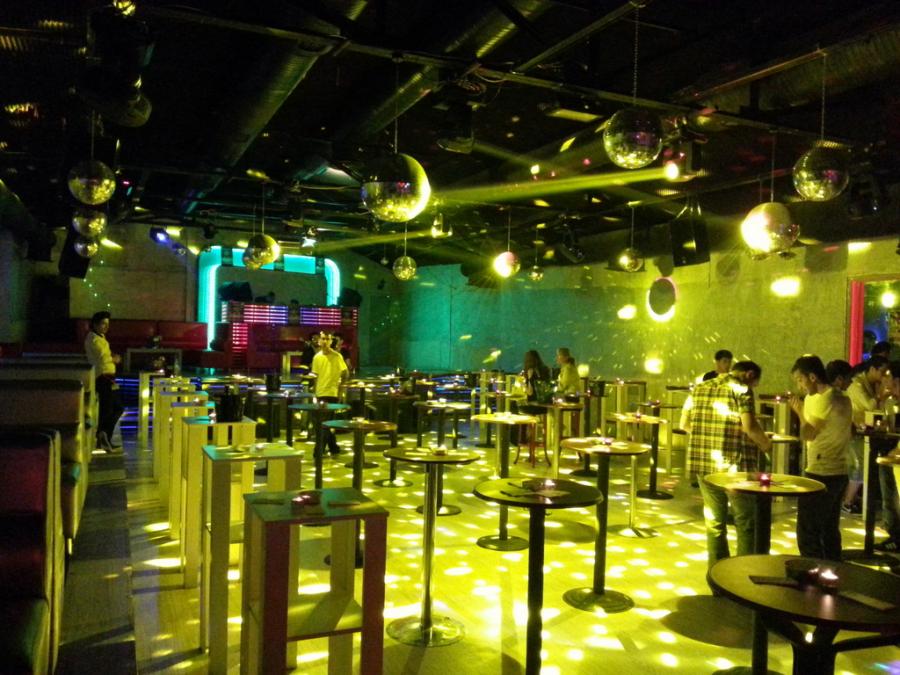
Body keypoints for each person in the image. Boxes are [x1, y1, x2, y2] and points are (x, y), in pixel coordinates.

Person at [681, 360, 772, 568]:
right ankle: (742, 573)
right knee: (745, 522)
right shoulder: (741, 389)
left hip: (704, 464)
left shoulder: (700, 388)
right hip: (734, 467)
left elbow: (686, 423)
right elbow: (749, 426)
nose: (754, 387)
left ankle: (717, 572)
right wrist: (767, 445)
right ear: (749, 374)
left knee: (714, 523)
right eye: (755, 383)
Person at [789, 355, 852, 560]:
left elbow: (808, 434)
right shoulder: (841, 396)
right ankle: (834, 569)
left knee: (808, 531)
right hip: (840, 471)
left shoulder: (824, 399)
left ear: (812, 377)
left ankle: (812, 571)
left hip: (821, 471)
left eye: (800, 380)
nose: (799, 386)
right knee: (829, 529)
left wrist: (799, 412)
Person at [844, 356, 892, 530]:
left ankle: (854, 500)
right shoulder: (857, 386)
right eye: (882, 372)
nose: (884, 375)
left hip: (866, 431)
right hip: (856, 431)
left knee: (863, 466)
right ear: (872, 369)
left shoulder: (872, 385)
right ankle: (847, 502)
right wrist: (882, 394)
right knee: (859, 467)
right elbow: (870, 406)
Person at [83, 311, 124, 452]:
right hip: (103, 378)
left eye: (107, 324)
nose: (106, 327)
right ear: (95, 324)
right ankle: (103, 435)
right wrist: (114, 358)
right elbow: (102, 357)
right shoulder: (93, 339)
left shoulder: (100, 337)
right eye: (103, 324)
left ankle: (104, 436)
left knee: (112, 408)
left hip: (108, 377)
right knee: (111, 408)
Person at [311, 332, 349, 456]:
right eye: (323, 338)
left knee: (324, 423)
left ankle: (319, 450)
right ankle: (333, 447)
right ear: (319, 341)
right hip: (320, 393)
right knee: (326, 422)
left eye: (327, 339)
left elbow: (345, 374)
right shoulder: (317, 357)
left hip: (332, 393)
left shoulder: (337, 356)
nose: (325, 341)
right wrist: (314, 393)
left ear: (331, 341)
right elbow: (315, 376)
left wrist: (341, 390)